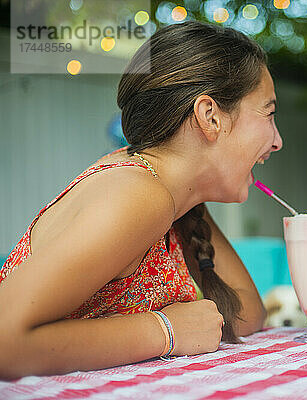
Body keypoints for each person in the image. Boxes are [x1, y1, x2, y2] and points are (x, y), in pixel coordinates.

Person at [0, 21, 282, 379]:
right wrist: (165, 331)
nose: (277, 141)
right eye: (269, 114)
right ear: (209, 116)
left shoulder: (173, 197)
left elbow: (244, 315)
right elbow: (3, 341)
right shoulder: (136, 194)